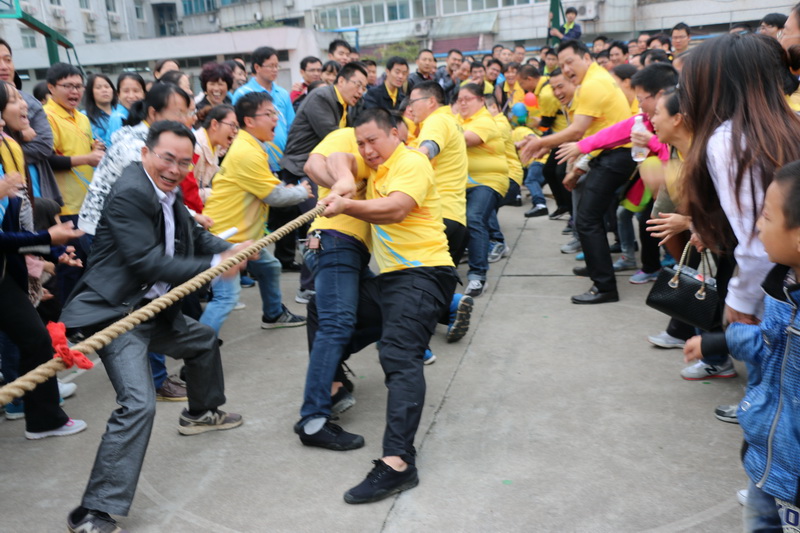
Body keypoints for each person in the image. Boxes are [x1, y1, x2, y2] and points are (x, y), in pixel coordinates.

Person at [62, 121, 245, 533]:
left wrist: (230, 249)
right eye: (167, 159)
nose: (175, 169)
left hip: (153, 309)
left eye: (183, 162)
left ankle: (201, 412)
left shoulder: (165, 190)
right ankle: (92, 511)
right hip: (118, 313)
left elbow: (191, 234)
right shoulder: (131, 191)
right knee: (138, 404)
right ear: (145, 154)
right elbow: (147, 262)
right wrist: (216, 264)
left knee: (202, 340)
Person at [318, 108, 458, 504]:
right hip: (391, 280)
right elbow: (328, 159)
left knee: (398, 354)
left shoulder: (411, 161)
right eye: (360, 143)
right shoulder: (375, 166)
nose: (366, 149)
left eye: (373, 140)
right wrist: (345, 178)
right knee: (326, 314)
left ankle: (398, 463)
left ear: (396, 133)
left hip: (424, 273)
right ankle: (334, 385)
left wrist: (346, 204)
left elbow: (396, 209)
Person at [679, 33, 800, 427]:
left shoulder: (729, 141)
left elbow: (756, 240)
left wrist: (740, 301)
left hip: (772, 287)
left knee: (776, 375)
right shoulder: (790, 124)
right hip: (790, 280)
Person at [683, 161, 800, 532]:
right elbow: (771, 341)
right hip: (768, 456)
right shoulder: (783, 282)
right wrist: (720, 340)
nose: (757, 226)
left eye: (767, 216)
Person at [0, 80, 87, 441]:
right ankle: (38, 414)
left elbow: (14, 223)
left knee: (33, 338)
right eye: (14, 100)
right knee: (33, 338)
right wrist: (48, 240)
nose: (25, 105)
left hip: (8, 267)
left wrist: (51, 252)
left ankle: (41, 415)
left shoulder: (8, 146)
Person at [520, 39, 634, 304]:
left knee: (586, 219)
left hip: (616, 156)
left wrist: (541, 143)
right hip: (608, 155)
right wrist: (548, 147)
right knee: (589, 216)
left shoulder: (593, 83)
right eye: (562, 65)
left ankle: (605, 287)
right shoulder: (593, 80)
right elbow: (588, 133)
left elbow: (577, 131)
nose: (567, 69)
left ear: (586, 58)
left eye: (570, 62)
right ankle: (597, 268)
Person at [201, 92, 311, 334]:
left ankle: (274, 314)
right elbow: (274, 196)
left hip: (244, 238)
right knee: (226, 298)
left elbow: (266, 186)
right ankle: (198, 351)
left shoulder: (251, 145)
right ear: (249, 121)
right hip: (226, 237)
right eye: (269, 114)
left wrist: (287, 189)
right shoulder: (247, 151)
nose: (276, 119)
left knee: (269, 267)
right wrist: (302, 191)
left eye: (275, 113)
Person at [79, 83, 193, 236]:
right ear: (153, 113)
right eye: (179, 114)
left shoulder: (151, 139)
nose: (184, 120)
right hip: (102, 228)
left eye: (187, 113)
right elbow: (155, 196)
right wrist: (192, 217)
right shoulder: (136, 147)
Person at [45, 62, 105, 302]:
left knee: (90, 268)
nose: (75, 91)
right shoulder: (46, 116)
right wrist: (87, 158)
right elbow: (47, 159)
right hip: (64, 208)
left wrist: (94, 149)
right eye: (68, 86)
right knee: (70, 271)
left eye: (79, 86)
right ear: (51, 87)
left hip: (88, 205)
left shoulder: (82, 118)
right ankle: (67, 320)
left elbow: (82, 152)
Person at [457, 83, 508, 297]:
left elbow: (466, 139)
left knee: (474, 217)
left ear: (480, 101)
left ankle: (478, 276)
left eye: (467, 99)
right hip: (462, 184)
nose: (462, 103)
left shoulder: (485, 120)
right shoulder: (458, 120)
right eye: (459, 99)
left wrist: (439, 134)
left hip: (488, 181)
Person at [231, 46, 295, 165]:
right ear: (257, 67)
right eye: (270, 66)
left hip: (284, 160)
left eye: (277, 66)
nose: (275, 70)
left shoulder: (283, 93)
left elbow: (291, 126)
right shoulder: (243, 93)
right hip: (254, 159)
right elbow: (237, 128)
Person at [189, 104, 238, 206]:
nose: (235, 131)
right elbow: (186, 192)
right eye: (232, 125)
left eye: (237, 127)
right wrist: (218, 193)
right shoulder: (195, 150)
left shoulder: (215, 147)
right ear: (215, 124)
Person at [106, 72, 147, 143]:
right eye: (126, 91)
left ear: (144, 93)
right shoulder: (118, 118)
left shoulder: (146, 114)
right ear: (118, 94)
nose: (131, 96)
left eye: (136, 91)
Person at [82, 74, 118, 148]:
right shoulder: (84, 116)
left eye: (107, 87)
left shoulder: (122, 113)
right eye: (98, 88)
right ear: (91, 92)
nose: (104, 90)